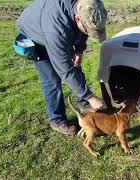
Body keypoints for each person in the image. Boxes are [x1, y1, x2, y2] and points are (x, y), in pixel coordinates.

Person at [16, 0, 108, 135]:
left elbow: (83, 31)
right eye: (89, 29)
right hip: (35, 35)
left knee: (76, 66)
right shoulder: (57, 28)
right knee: (52, 79)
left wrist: (79, 50)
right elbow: (64, 69)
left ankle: (84, 103)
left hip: (55, 26)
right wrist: (90, 96)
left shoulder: (86, 5)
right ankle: (57, 120)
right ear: (77, 18)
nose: (90, 32)